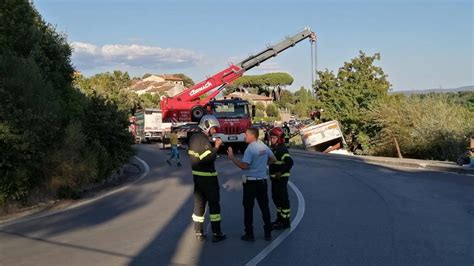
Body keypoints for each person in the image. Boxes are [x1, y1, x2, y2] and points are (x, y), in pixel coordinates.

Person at [227, 127, 276, 241]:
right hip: (262, 181)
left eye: (246, 134)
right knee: (264, 207)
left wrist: (232, 158)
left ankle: (249, 234)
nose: (245, 136)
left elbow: (244, 166)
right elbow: (273, 159)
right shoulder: (263, 146)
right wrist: (263, 165)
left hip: (250, 182)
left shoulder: (250, 149)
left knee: (248, 209)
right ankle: (267, 232)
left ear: (252, 136)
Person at [188, 115, 226, 242]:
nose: (215, 131)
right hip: (209, 180)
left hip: (197, 178)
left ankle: (198, 231)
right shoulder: (203, 140)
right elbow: (207, 158)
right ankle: (217, 233)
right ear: (207, 126)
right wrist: (216, 147)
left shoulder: (194, 137)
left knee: (199, 205)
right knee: (214, 206)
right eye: (214, 128)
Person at [268, 127, 294, 230]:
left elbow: (290, 162)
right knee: (276, 199)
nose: (271, 140)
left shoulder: (281, 149)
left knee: (283, 199)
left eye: (273, 138)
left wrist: (280, 172)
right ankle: (279, 220)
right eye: (271, 137)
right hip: (275, 179)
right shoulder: (275, 148)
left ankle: (285, 222)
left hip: (281, 179)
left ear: (279, 138)